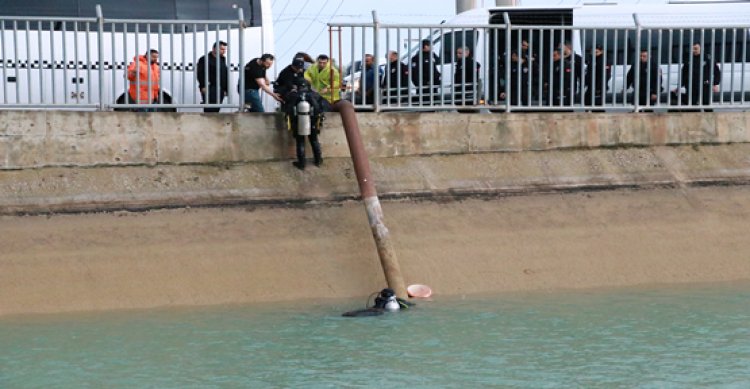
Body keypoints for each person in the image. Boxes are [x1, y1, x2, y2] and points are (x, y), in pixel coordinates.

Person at [275, 57, 326, 170]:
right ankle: (318, 160)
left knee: (300, 141)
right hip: (313, 121)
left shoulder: (293, 95)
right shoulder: (315, 95)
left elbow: (288, 109)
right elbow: (321, 109)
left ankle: (301, 164)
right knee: (314, 140)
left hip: (299, 122)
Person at [678, 42, 722, 109]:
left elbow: (716, 71)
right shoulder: (688, 59)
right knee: (691, 106)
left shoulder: (707, 58)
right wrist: (680, 86)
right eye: (692, 49)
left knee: (707, 105)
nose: (693, 51)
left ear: (701, 48)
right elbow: (684, 73)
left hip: (705, 85)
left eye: (695, 49)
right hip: (691, 86)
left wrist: (715, 83)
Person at [196, 41, 228, 113]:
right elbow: (200, 73)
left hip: (220, 89)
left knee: (216, 109)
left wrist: (226, 89)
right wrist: (203, 86)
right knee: (210, 109)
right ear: (214, 49)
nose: (224, 51)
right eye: (222, 49)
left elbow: (224, 74)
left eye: (225, 49)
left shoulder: (222, 59)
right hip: (210, 88)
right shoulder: (205, 59)